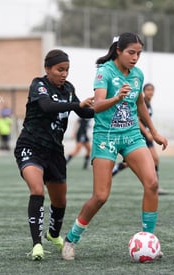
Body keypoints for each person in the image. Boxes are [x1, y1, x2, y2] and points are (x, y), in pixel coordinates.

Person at [62, 32, 168, 261]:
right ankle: (71, 238)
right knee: (100, 196)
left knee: (152, 183)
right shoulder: (104, 72)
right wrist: (118, 97)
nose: (135, 57)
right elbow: (97, 105)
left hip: (131, 136)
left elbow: (140, 103)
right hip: (105, 137)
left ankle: (148, 240)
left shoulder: (138, 75)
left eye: (139, 53)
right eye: (131, 52)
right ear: (118, 50)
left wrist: (153, 132)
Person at [14, 49, 94, 261]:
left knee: (60, 201)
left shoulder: (68, 89)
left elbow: (84, 111)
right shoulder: (38, 85)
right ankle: (37, 244)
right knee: (37, 190)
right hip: (30, 146)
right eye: (60, 69)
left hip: (55, 152)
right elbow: (47, 106)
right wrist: (77, 105)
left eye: (67, 70)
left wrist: (106, 105)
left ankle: (53, 235)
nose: (64, 74)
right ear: (48, 69)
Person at [112, 83, 168, 194]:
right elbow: (137, 119)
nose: (150, 92)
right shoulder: (143, 103)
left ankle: (154, 186)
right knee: (144, 160)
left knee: (153, 160)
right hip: (140, 135)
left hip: (146, 135)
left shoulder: (149, 104)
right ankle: (115, 169)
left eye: (152, 90)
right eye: (148, 90)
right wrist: (147, 133)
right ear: (143, 91)